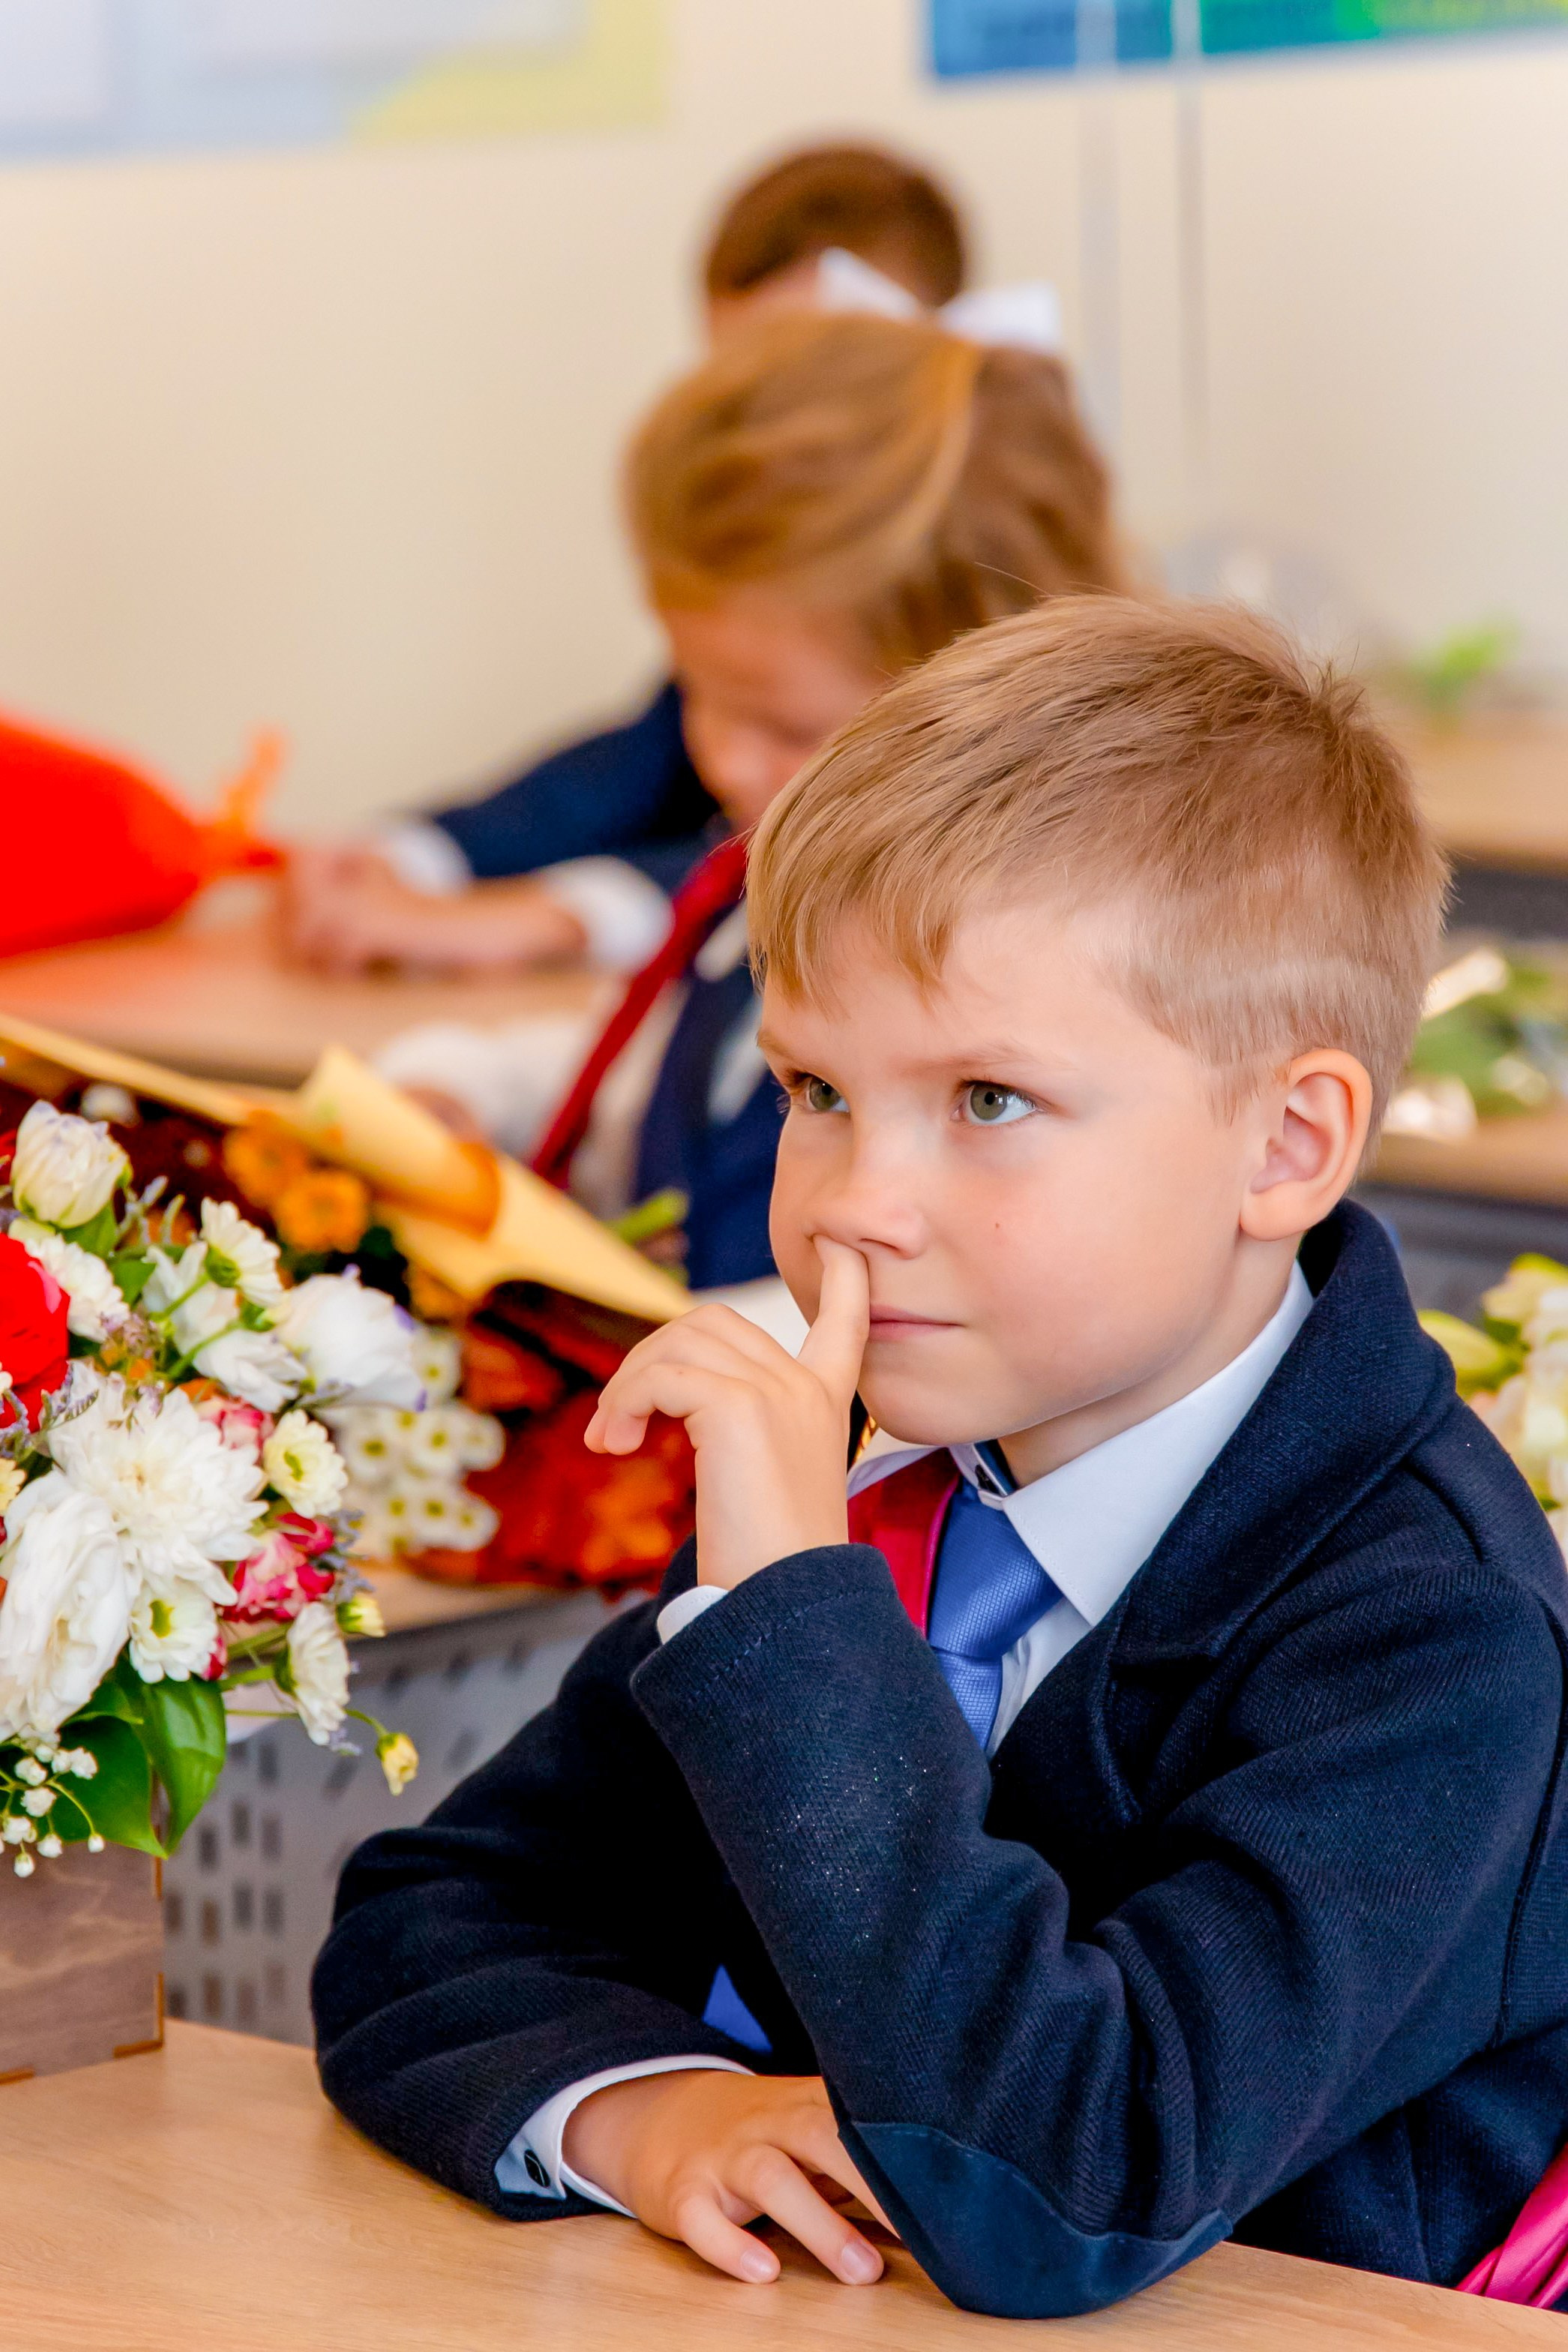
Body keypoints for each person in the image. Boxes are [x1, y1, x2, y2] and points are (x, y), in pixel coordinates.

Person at [313, 596, 1568, 2318]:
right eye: (815, 1090)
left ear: (1284, 1145)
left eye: (984, 1102)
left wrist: (785, 1623)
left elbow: (1067, 2183)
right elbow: (435, 1915)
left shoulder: (1434, 1637)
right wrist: (647, 2112)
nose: (848, 1206)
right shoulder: (896, 1485)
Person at [378, 305, 1121, 1291]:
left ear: (988, 714)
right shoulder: (768, 886)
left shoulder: (998, 1012)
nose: (724, 762)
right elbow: (664, 1067)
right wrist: (471, 1090)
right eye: (698, 696)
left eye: (786, 730)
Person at [284, 142, 972, 979]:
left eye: (803, 381)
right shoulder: (749, 627)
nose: (753, 425)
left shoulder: (984, 587)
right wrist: (406, 854)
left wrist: (551, 919)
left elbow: (856, 847)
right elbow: (625, 773)